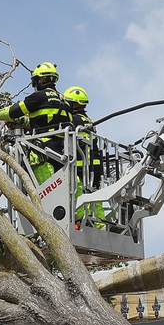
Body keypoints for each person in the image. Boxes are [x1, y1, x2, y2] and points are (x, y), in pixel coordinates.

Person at [0, 62, 74, 183]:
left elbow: (13, 111)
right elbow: (48, 120)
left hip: (43, 150)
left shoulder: (39, 97)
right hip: (63, 151)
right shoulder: (65, 101)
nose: (34, 84)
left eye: (35, 80)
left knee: (46, 190)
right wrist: (23, 121)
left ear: (42, 79)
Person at [63, 85, 107, 227]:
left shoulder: (74, 120)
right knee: (96, 198)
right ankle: (100, 226)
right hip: (95, 167)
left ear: (75, 104)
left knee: (79, 193)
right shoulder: (88, 120)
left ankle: (82, 222)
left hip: (82, 166)